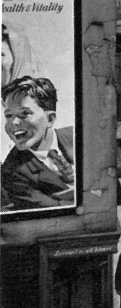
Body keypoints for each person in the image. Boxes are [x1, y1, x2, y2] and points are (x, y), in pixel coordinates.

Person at [1, 76, 74, 211]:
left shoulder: (76, 135)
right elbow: (57, 211)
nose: (14, 123)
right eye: (8, 115)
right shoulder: (11, 172)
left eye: (24, 114)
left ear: (50, 119)